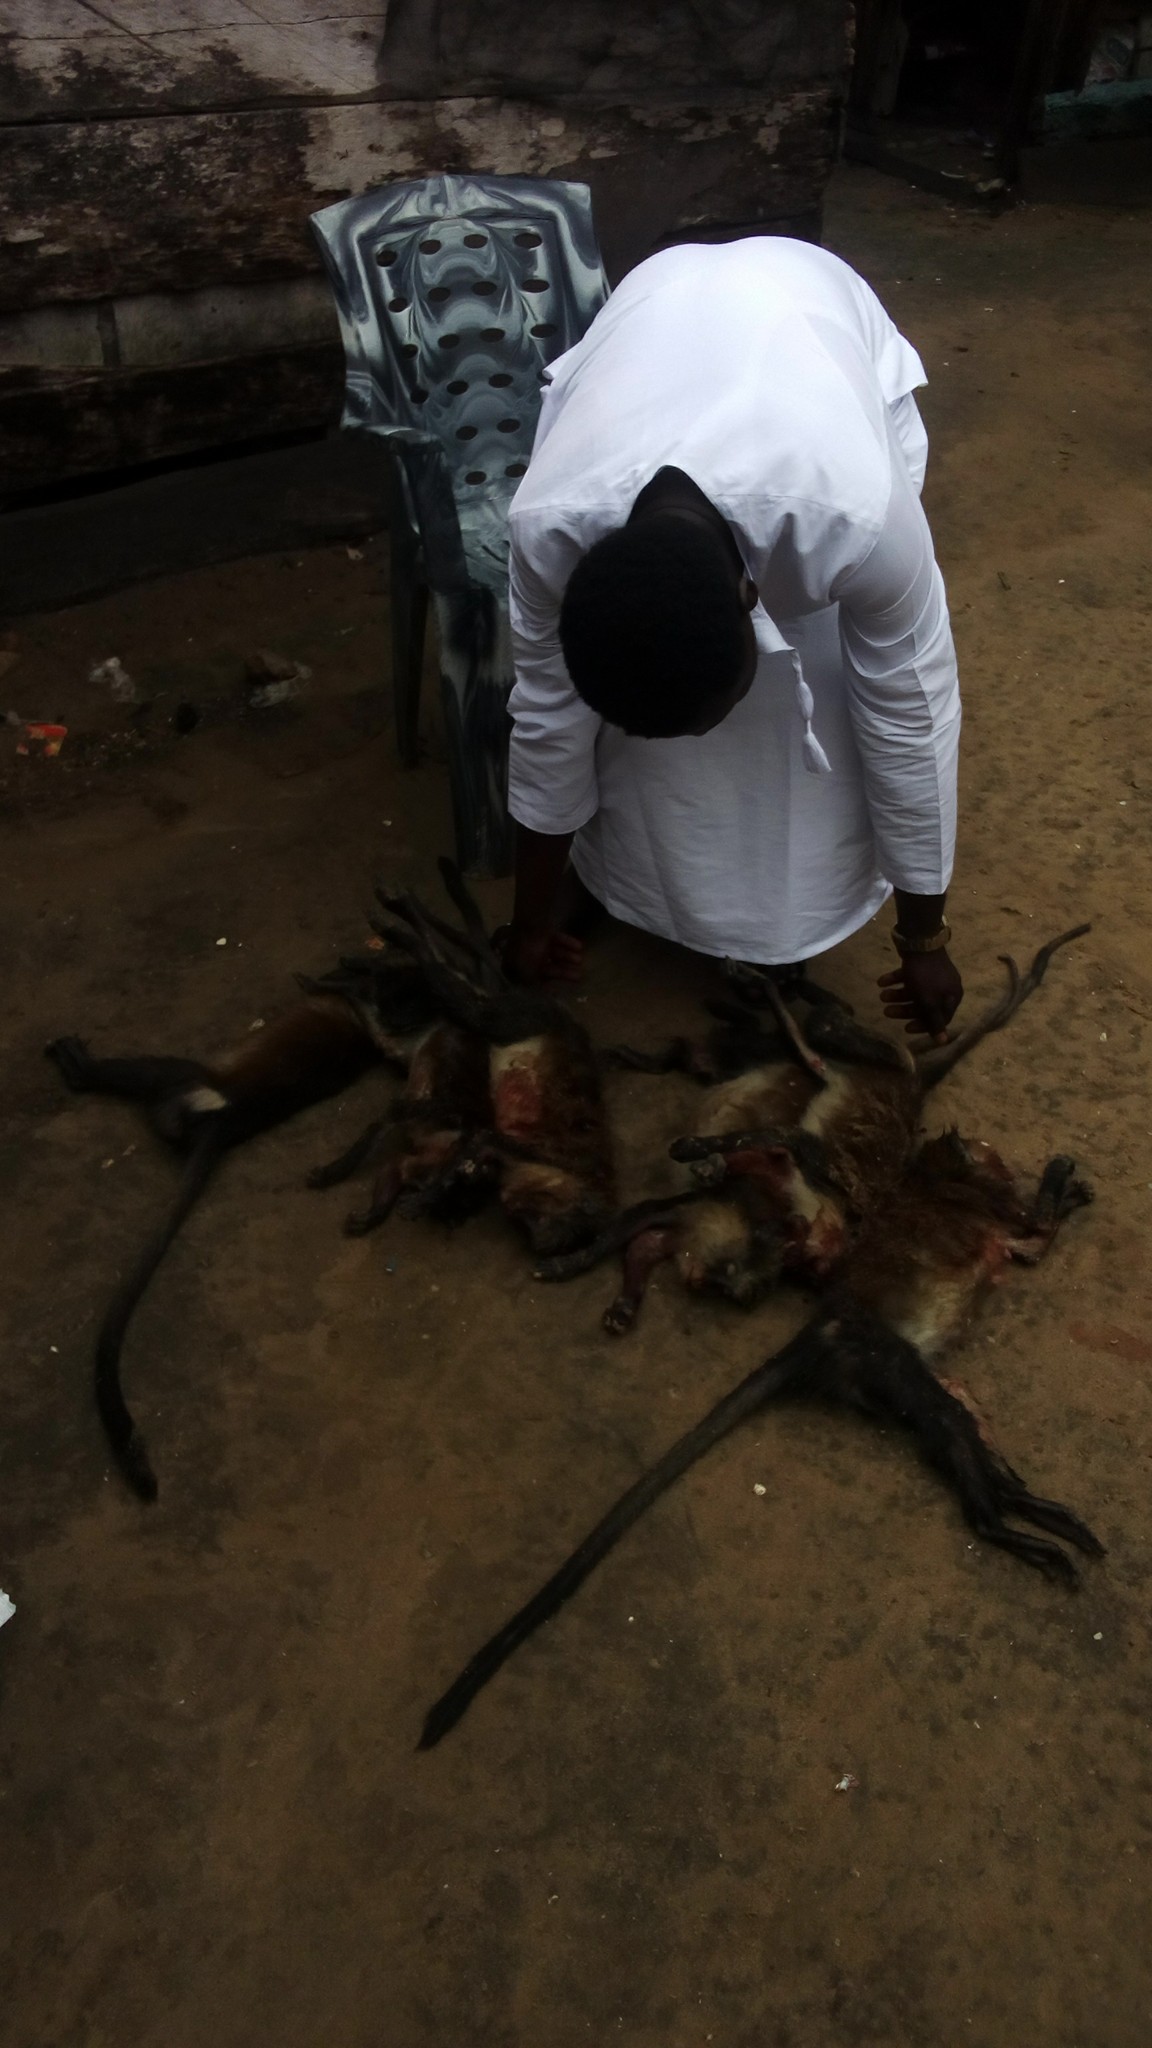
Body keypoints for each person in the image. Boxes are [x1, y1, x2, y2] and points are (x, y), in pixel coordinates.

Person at [501, 236, 963, 1039]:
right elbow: (547, 715)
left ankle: (788, 916)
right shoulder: (550, 529)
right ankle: (613, 876)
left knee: (821, 676)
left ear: (754, 596)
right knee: (629, 707)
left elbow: (911, 713)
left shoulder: (859, 517)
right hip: (654, 308)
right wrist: (529, 921)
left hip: (814, 308)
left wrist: (925, 937)